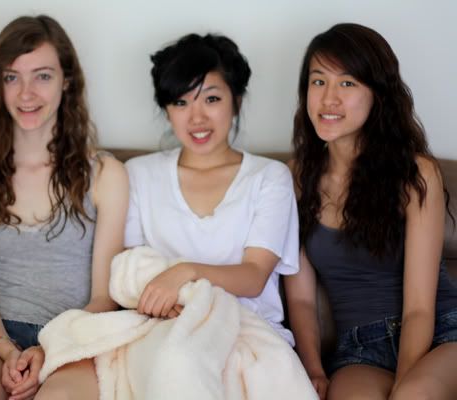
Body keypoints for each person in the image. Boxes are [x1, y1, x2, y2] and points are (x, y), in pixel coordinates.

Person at [0, 15, 128, 400]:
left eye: (42, 76)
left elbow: (103, 297)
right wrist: (9, 351)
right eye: (12, 77)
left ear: (66, 80)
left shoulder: (106, 174)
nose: (26, 93)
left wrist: (50, 348)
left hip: (74, 341)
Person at [285, 23, 457, 400]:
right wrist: (313, 370)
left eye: (347, 83)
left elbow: (418, 309)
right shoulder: (295, 179)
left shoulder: (415, 173)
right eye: (318, 81)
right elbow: (300, 298)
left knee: (413, 395)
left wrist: (403, 386)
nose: (329, 98)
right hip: (360, 349)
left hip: (443, 333)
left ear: (378, 94)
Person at [125, 33, 299, 344]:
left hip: (248, 334)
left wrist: (185, 272)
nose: (197, 118)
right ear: (167, 110)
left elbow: (254, 276)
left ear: (236, 102)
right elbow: (128, 269)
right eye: (181, 102)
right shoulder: (138, 174)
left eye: (212, 99)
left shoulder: (269, 177)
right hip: (161, 332)